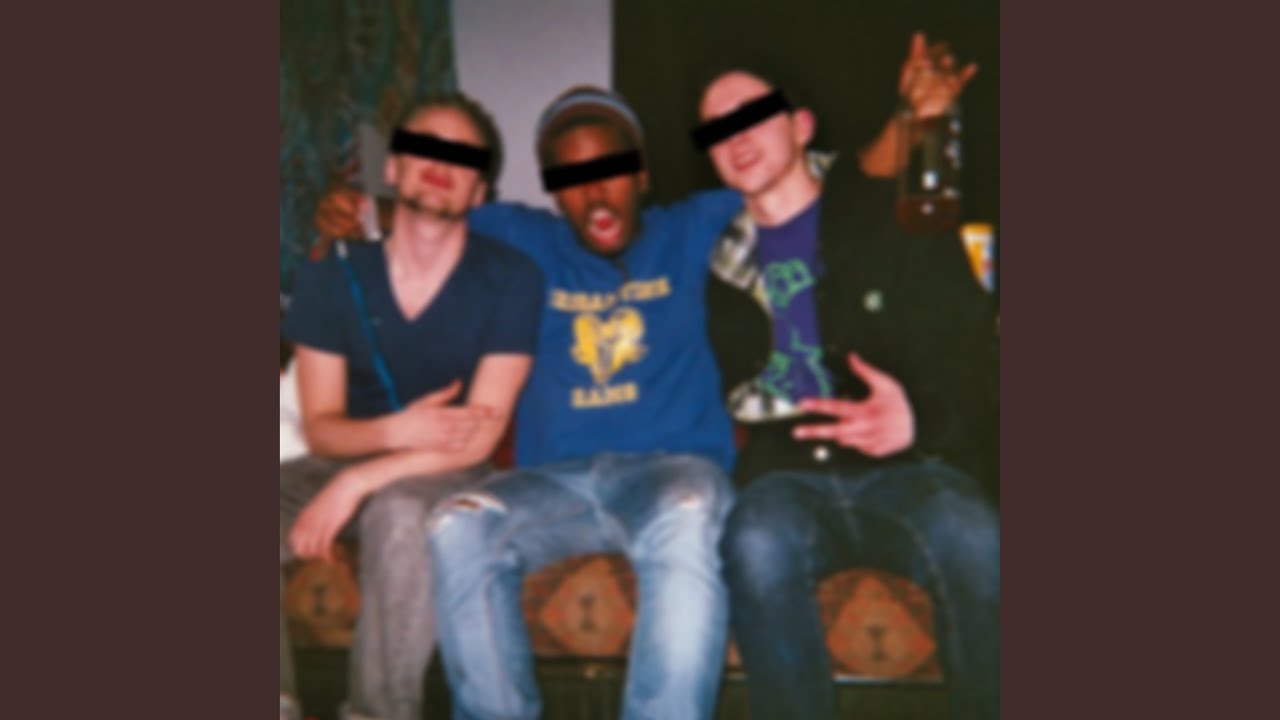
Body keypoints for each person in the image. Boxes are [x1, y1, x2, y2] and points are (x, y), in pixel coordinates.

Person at [695, 59, 1000, 720]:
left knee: (972, 533)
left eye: (752, 117)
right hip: (788, 477)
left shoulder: (893, 217)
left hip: (910, 469)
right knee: (754, 539)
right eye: (715, 129)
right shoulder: (719, 266)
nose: (734, 137)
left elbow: (976, 352)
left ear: (801, 126)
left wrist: (919, 418)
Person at [278, 92, 544, 720]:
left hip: (444, 467)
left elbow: (477, 439)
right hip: (351, 454)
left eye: (462, 157)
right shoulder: (331, 276)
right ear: (393, 169)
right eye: (424, 147)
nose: (441, 164)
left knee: (399, 513)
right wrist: (395, 429)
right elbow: (322, 428)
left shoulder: (511, 278)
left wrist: (359, 481)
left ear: (479, 191)